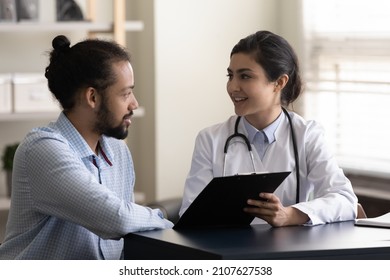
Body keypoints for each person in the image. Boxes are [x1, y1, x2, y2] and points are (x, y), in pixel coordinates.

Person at [0, 35, 173, 260]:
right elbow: (117, 219)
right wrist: (167, 221)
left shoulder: (118, 151)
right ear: (92, 97)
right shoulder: (42, 149)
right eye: (125, 93)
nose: (134, 104)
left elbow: (124, 237)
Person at [179, 30, 358, 227]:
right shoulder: (210, 140)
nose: (232, 87)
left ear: (279, 83)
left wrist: (290, 215)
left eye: (245, 76)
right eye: (230, 76)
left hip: (290, 254)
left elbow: (345, 199)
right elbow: (189, 213)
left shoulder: (307, 136)